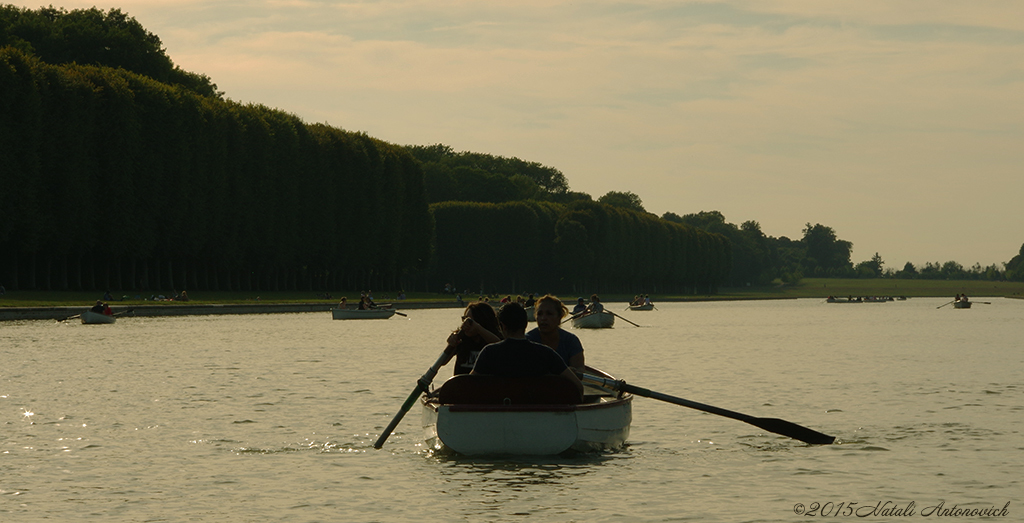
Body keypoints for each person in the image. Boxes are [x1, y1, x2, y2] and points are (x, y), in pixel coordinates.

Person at [471, 303, 583, 395]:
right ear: (525, 324)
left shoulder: (489, 352)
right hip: (537, 412)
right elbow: (577, 386)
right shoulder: (546, 353)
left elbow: (467, 385)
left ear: (502, 326)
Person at [526, 295, 585, 370]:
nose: (543, 318)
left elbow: (579, 370)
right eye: (540, 314)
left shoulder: (571, 341)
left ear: (559, 317)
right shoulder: (528, 340)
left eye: (549, 314)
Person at [444, 302, 502, 375]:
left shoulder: (494, 338)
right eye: (464, 320)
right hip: (461, 384)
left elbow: (501, 347)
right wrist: (451, 345)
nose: (466, 325)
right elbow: (443, 362)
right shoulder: (461, 339)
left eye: (470, 322)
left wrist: (478, 329)